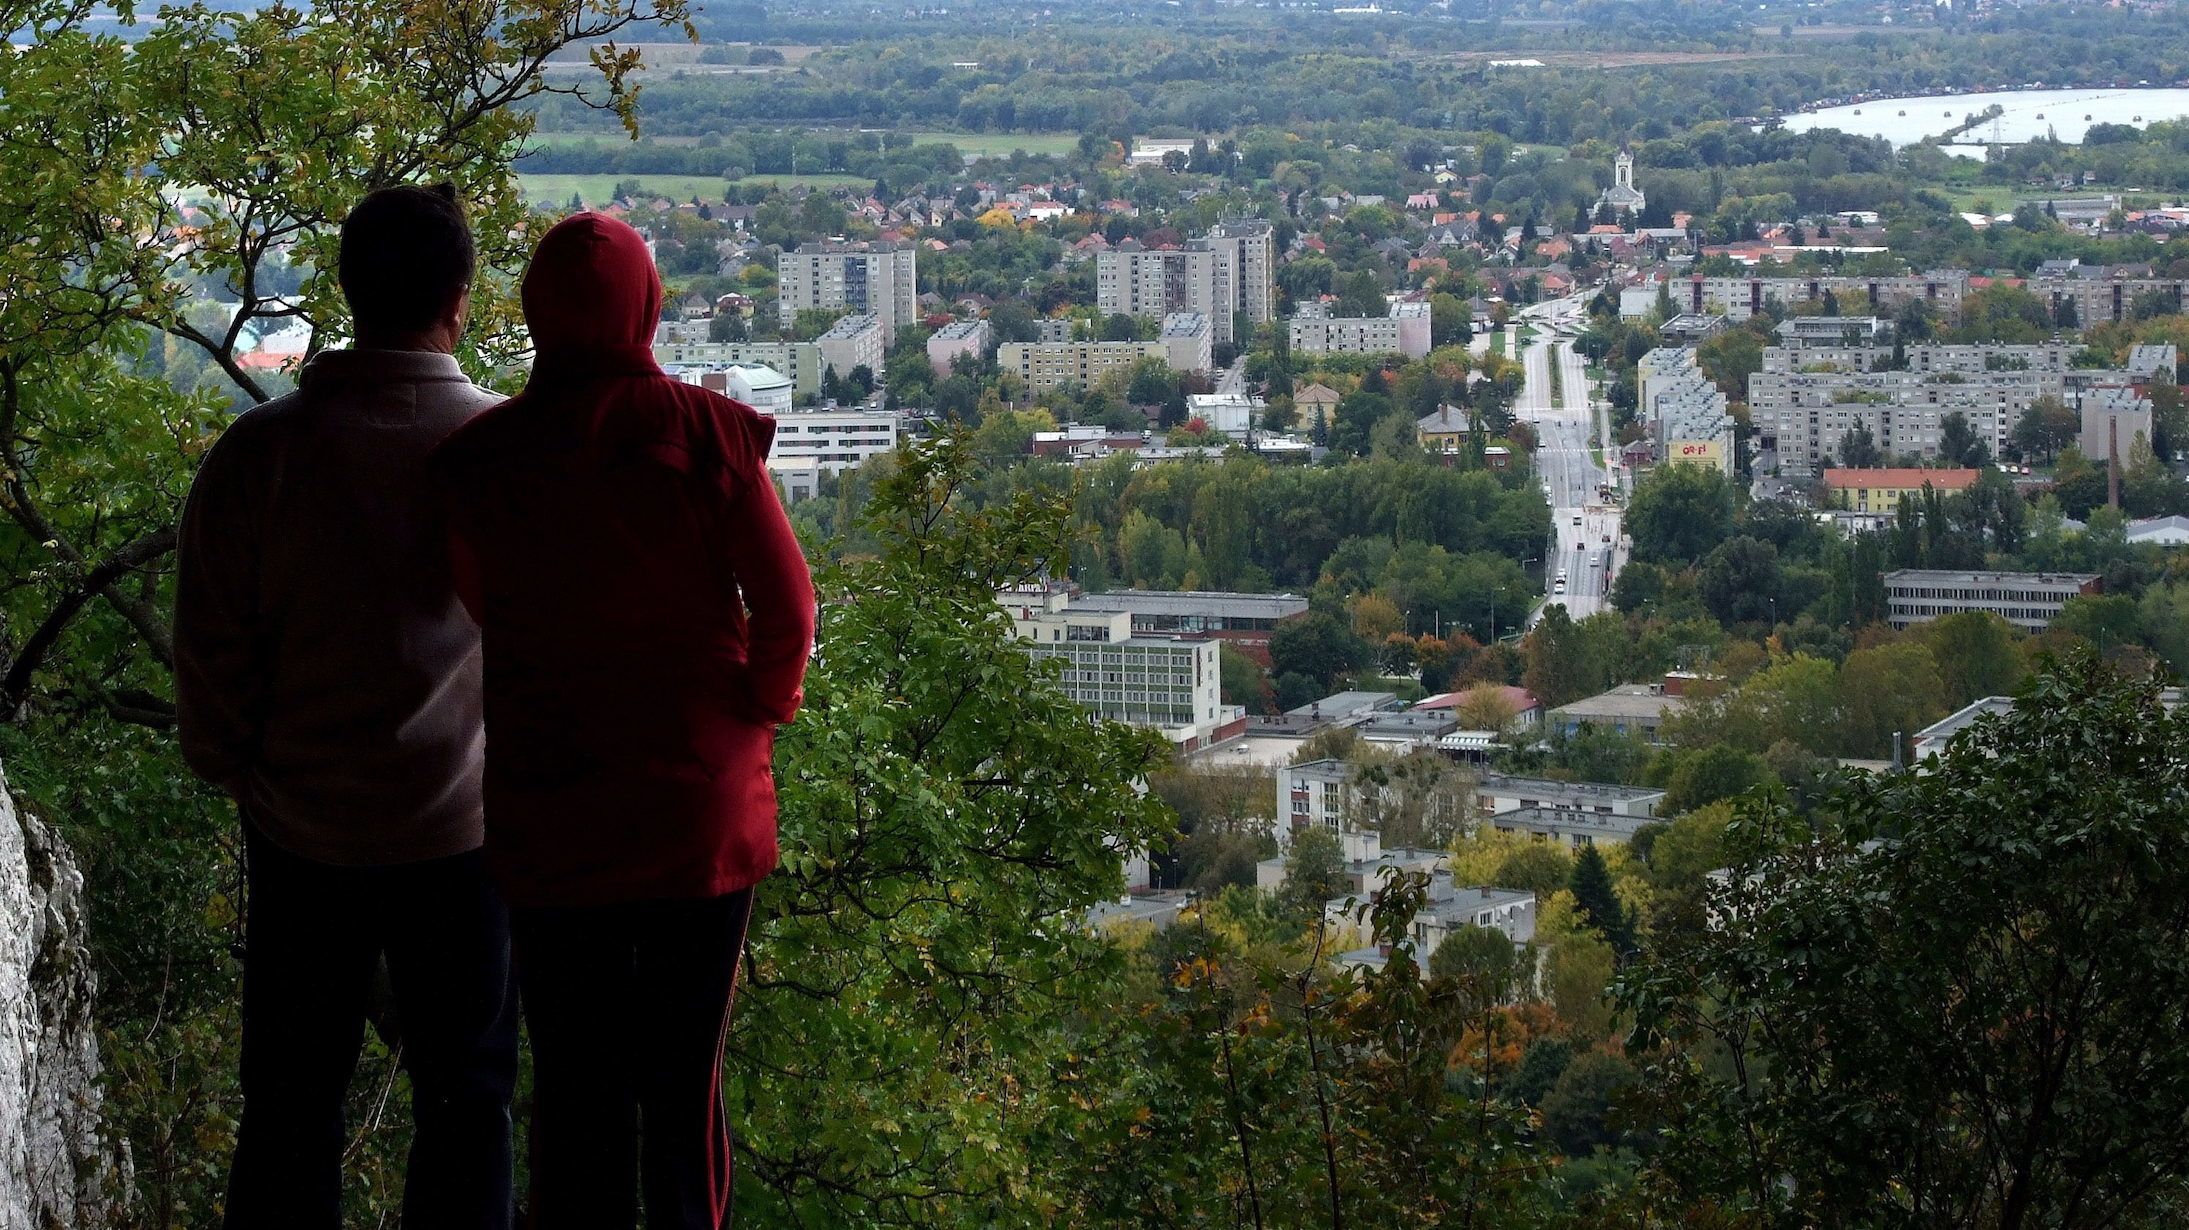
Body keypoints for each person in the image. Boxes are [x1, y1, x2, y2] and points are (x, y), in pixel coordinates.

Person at [430, 212, 814, 1229]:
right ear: (645, 303)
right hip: (696, 802)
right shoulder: (708, 433)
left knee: (573, 1077)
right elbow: (787, 609)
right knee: (682, 1083)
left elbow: (480, 602)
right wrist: (761, 710)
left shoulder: (481, 460)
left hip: (553, 799)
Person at [174, 184, 518, 1229]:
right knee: (466, 1110)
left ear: (347, 291)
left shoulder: (259, 458)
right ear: (459, 301)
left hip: (300, 835)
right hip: (463, 840)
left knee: (287, 1111)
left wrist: (246, 771)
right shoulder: (504, 456)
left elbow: (210, 662)